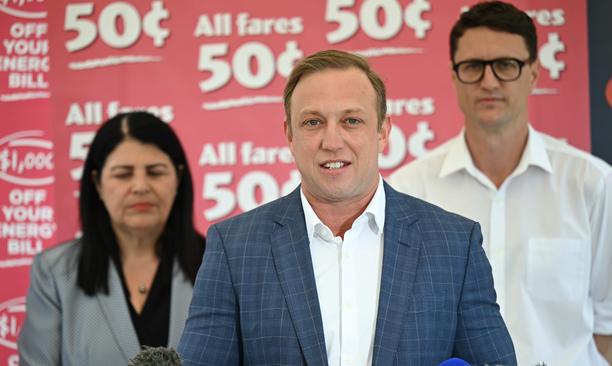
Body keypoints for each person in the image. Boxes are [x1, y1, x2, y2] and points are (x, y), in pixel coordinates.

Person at [178, 50, 516, 365]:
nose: (332, 141)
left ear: (383, 131)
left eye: (351, 121)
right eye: (313, 122)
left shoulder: (455, 244)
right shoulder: (234, 246)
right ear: (289, 135)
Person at [389, 2, 612, 365]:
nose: (489, 82)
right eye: (473, 66)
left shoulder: (591, 184)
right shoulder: (410, 189)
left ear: (534, 73)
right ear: (454, 74)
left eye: (506, 65)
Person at [18, 112, 205, 366]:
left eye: (155, 172)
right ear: (97, 183)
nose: (140, 186)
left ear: (178, 178)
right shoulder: (55, 272)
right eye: (123, 174)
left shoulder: (218, 263)